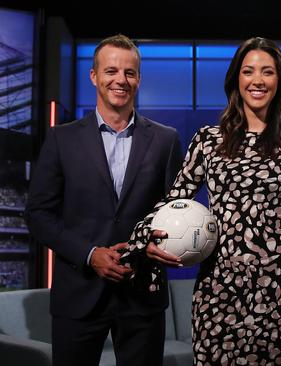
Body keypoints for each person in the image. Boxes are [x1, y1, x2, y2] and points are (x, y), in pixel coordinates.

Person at [119, 37, 281, 365]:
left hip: (279, 291)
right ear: (236, 78)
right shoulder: (209, 141)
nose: (258, 80)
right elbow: (175, 199)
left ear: (279, 81)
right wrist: (140, 239)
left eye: (267, 72)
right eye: (248, 71)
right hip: (218, 291)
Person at [25, 34, 183, 366]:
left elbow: (173, 211)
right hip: (78, 295)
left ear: (138, 79)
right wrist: (90, 254)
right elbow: (39, 215)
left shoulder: (166, 141)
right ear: (94, 76)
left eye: (129, 72)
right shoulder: (61, 139)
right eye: (111, 71)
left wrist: (157, 246)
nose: (120, 80)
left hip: (142, 296)